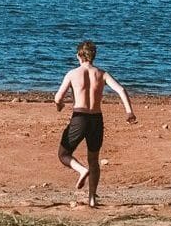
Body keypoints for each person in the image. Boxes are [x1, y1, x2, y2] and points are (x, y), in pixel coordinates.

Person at [54, 40, 137, 207]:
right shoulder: (102, 74)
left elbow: (58, 97)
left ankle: (81, 170)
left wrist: (59, 105)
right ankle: (92, 198)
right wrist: (129, 112)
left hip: (79, 118)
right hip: (96, 120)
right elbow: (121, 90)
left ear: (78, 56)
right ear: (93, 56)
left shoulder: (72, 74)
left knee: (63, 154)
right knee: (93, 159)